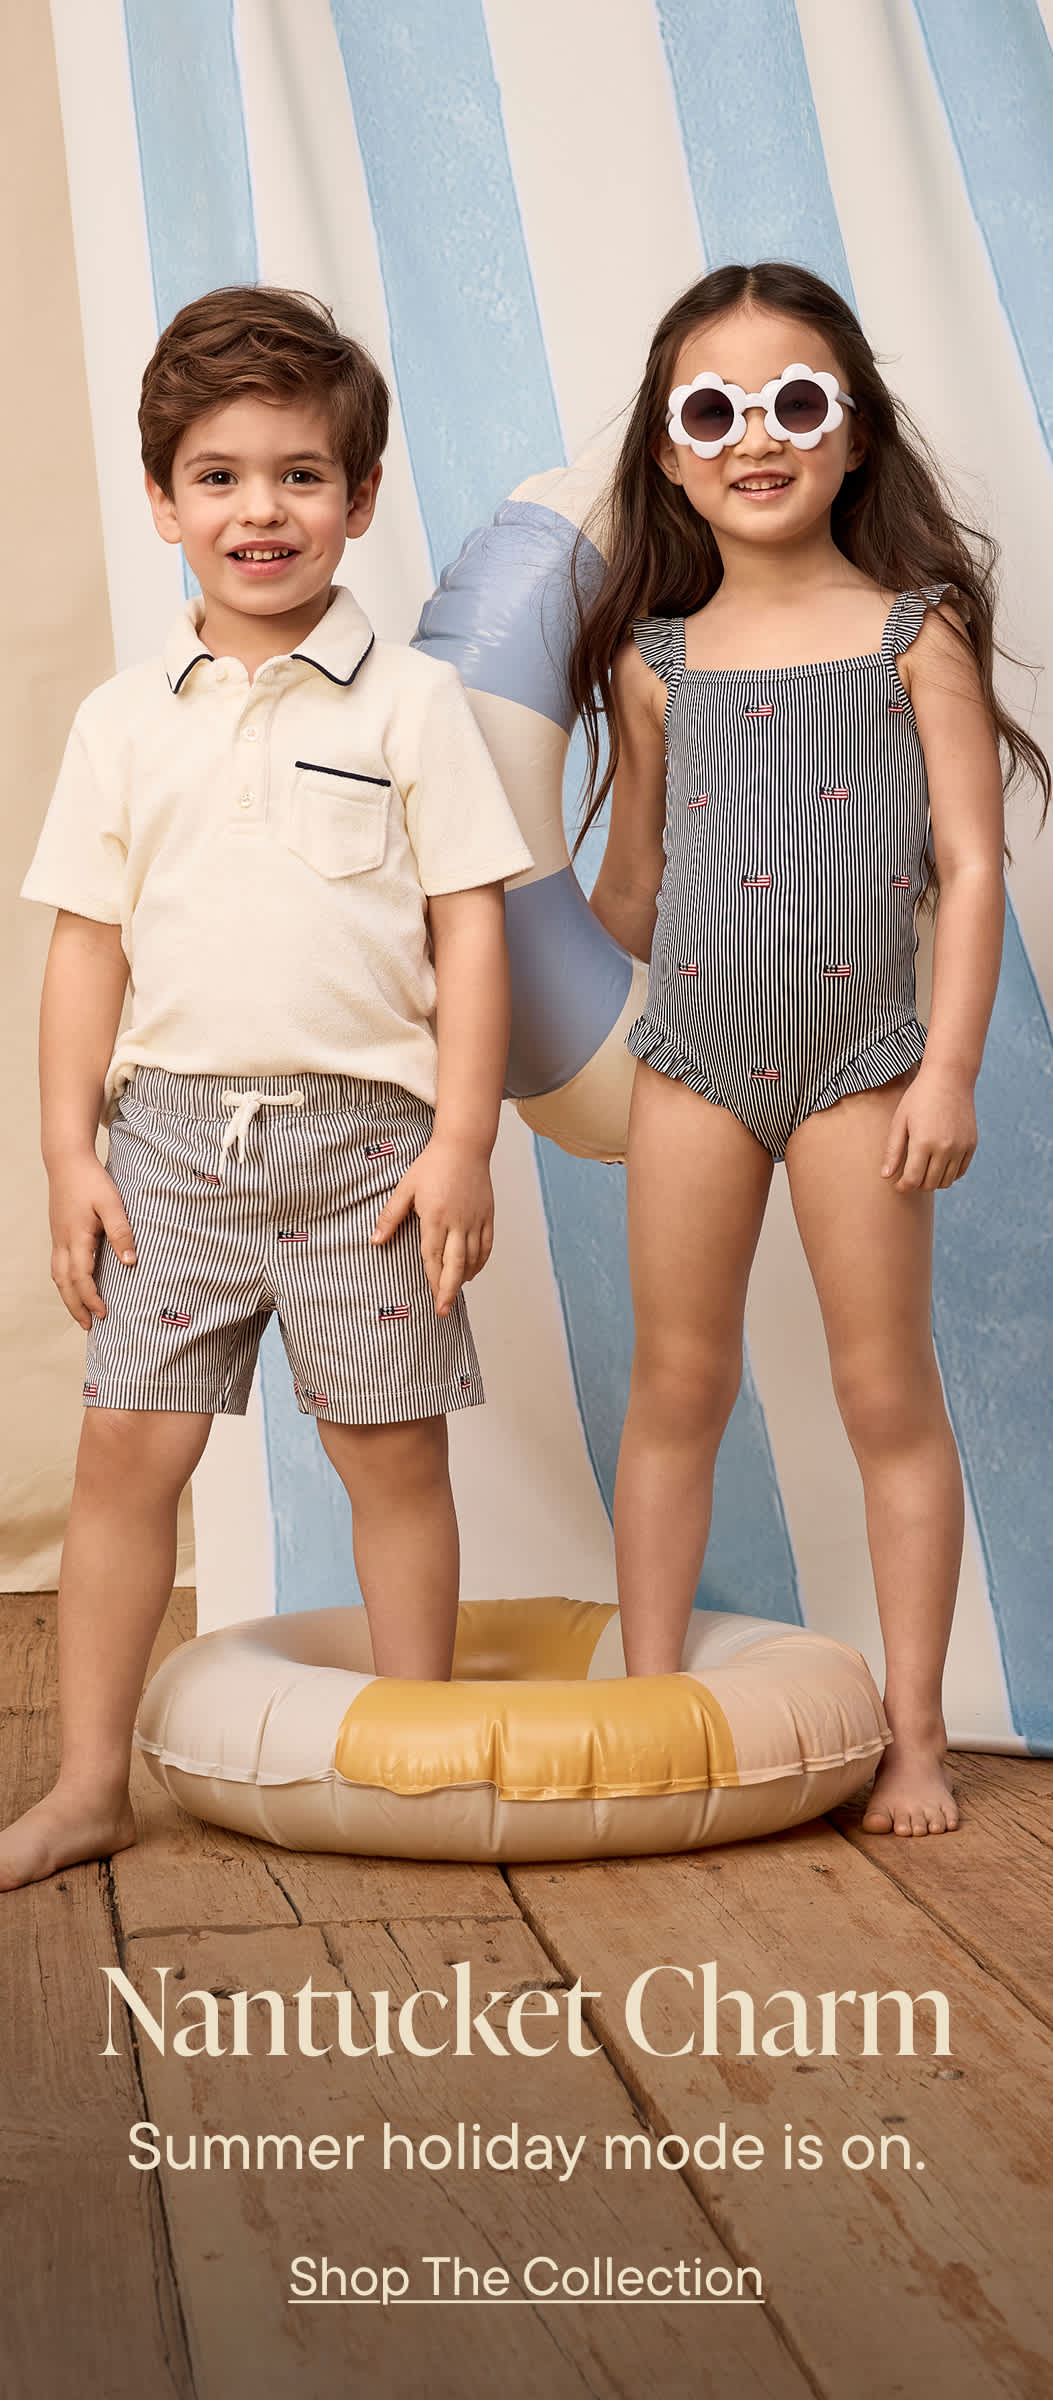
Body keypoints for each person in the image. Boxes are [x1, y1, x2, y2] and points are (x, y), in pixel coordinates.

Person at [3, 284, 531, 1891]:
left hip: (369, 1149)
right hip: (165, 1145)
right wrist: (66, 1156)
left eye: (300, 474)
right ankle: (90, 1782)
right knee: (125, 1460)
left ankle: (423, 1759)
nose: (261, 509)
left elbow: (469, 928)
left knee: (389, 1455)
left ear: (360, 499)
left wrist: (460, 1142)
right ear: (163, 500)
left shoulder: (411, 705)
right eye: (220, 475)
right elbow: (85, 950)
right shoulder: (119, 723)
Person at [570, 261, 1048, 1837]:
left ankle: (912, 1733)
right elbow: (632, 891)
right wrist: (503, 925)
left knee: (882, 1392)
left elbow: (972, 868)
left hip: (867, 1061)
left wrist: (950, 1066)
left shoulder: (915, 635)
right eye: (713, 409)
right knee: (675, 1386)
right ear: (667, 448)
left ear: (851, 436)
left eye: (794, 404)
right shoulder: (653, 664)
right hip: (694, 1059)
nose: (753, 437)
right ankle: (650, 1700)